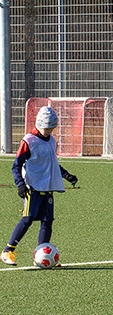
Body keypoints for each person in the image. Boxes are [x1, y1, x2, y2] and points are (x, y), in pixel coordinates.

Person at [1, 106, 78, 266]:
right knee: (27, 219)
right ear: (39, 125)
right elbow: (16, 165)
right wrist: (20, 184)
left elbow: (52, 163)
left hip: (47, 187)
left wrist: (66, 175)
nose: (49, 131)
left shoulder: (51, 141)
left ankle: (40, 254)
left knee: (47, 220)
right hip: (32, 188)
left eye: (51, 128)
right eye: (46, 128)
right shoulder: (28, 141)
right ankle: (8, 250)